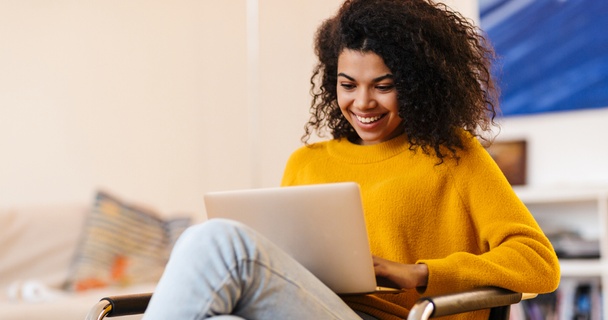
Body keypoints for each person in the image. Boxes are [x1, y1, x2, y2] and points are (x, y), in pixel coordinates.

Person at [142, 0, 560, 319]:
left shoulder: (454, 156)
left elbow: (539, 263)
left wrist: (420, 273)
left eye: (383, 86)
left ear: (417, 85)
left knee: (215, 239)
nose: (363, 103)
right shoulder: (306, 162)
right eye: (348, 85)